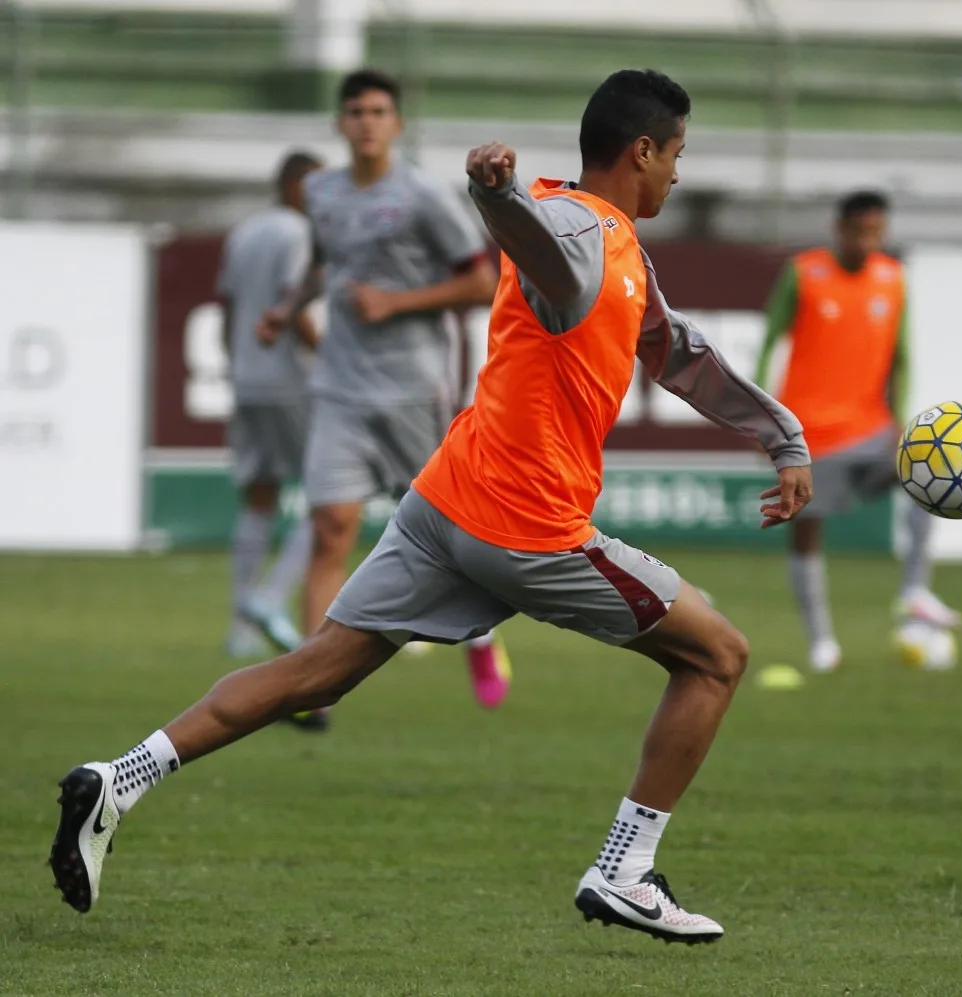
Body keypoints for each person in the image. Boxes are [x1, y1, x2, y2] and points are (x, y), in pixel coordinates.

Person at [49, 69, 813, 944]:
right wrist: (497, 196)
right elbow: (541, 250)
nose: (678, 174)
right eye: (676, 154)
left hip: (446, 499)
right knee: (718, 654)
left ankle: (120, 776)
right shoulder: (574, 226)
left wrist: (781, 434)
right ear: (642, 151)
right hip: (527, 527)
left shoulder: (616, 245)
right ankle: (624, 869)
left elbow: (679, 351)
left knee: (317, 668)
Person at [253, 69, 512, 721]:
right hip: (339, 385)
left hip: (409, 388)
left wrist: (397, 302)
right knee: (330, 526)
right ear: (340, 125)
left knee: (450, 534)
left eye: (378, 111)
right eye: (355, 112)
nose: (367, 122)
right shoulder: (321, 191)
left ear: (395, 123)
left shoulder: (425, 195)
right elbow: (321, 265)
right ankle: (308, 689)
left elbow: (483, 282)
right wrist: (287, 309)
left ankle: (480, 638)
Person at [755, 191, 962, 674]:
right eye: (861, 231)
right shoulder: (804, 272)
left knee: (927, 470)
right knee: (806, 535)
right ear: (840, 229)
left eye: (877, 232)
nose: (869, 241)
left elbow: (902, 355)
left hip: (871, 428)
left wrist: (898, 418)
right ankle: (821, 642)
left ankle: (914, 590)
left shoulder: (892, 279)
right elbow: (768, 343)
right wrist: (764, 420)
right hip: (811, 437)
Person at [218, 150, 324, 661]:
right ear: (294, 187)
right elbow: (293, 308)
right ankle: (270, 596)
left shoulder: (245, 232)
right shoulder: (299, 235)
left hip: (246, 378)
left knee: (258, 496)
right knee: (327, 494)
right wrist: (336, 360)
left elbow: (230, 310)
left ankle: (239, 626)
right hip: (291, 379)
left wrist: (236, 364)